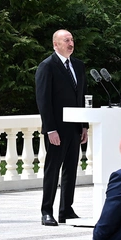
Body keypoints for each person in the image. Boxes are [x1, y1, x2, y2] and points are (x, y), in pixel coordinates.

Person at [35, 29, 88, 226]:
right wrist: (50, 129)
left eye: (72, 39)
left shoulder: (78, 66)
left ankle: (66, 209)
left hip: (75, 128)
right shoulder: (47, 66)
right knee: (53, 170)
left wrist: (84, 126)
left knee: (71, 170)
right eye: (66, 40)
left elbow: (82, 97)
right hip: (56, 129)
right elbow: (43, 101)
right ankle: (46, 211)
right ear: (55, 44)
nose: (71, 43)